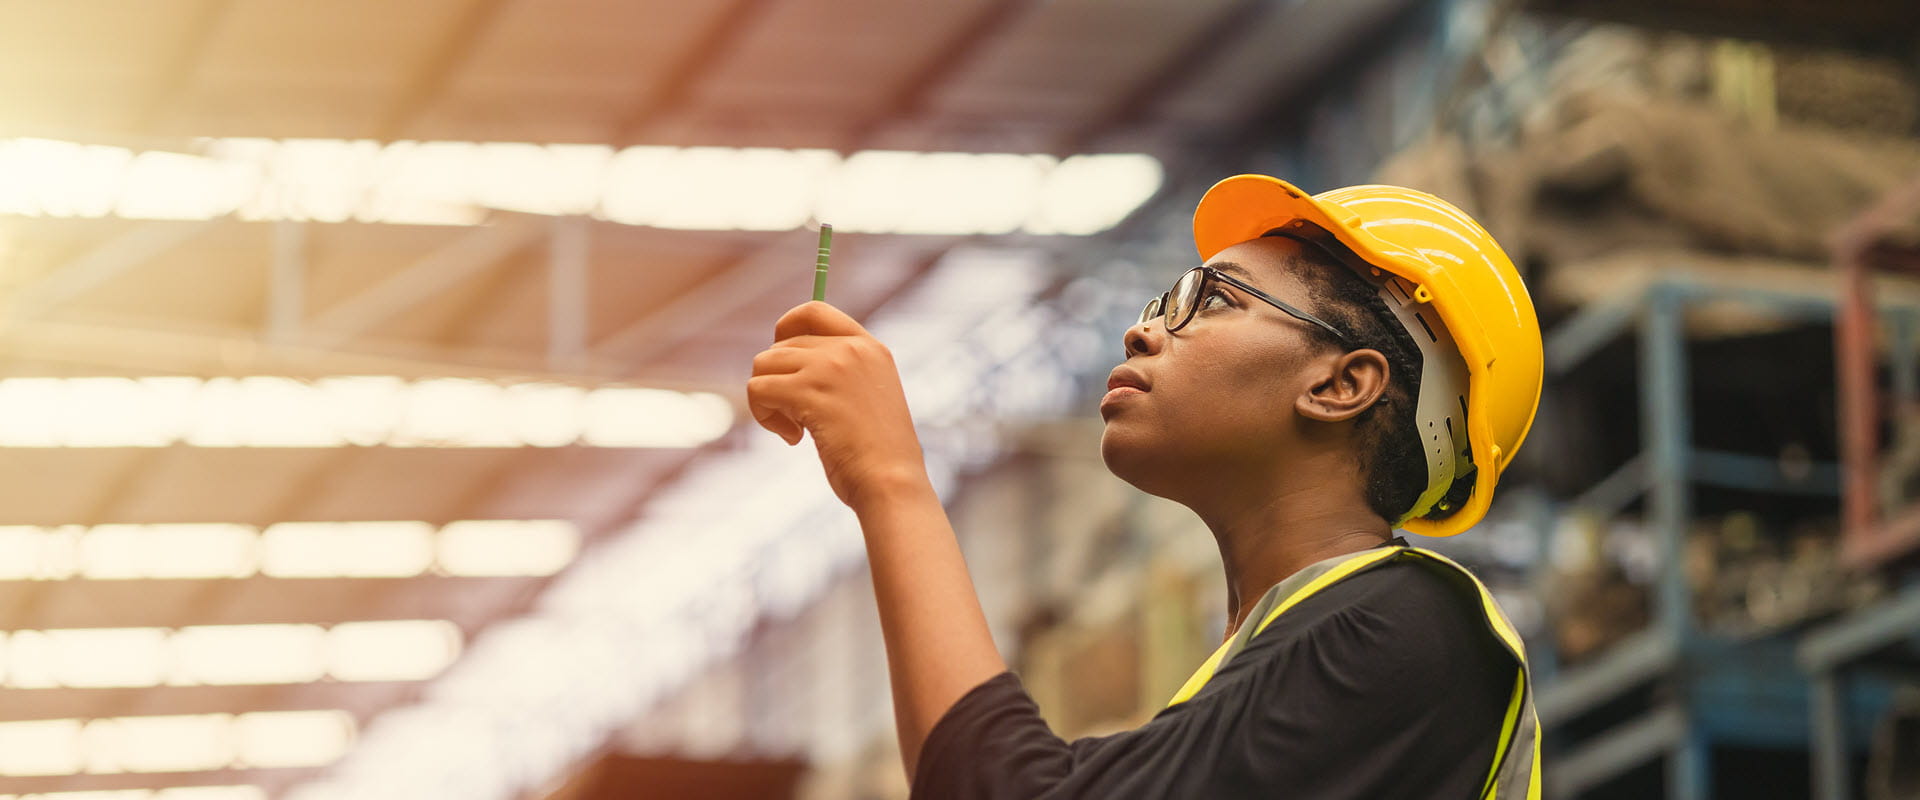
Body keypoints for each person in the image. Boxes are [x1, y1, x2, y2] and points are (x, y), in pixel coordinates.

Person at [748, 175, 1545, 798]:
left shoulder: (1405, 627)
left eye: (1214, 299)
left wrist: (893, 482)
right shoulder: (1275, 663)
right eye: (1164, 301)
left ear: (1342, 384)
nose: (1143, 328)